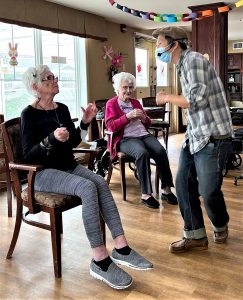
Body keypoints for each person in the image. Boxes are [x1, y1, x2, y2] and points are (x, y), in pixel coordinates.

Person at [21, 65, 153, 289]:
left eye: (54, 76)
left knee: (100, 182)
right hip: (42, 174)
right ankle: (99, 260)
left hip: (67, 166)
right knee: (87, 188)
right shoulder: (29, 114)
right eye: (48, 78)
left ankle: (121, 247)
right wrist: (50, 139)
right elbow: (27, 156)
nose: (55, 80)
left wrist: (84, 122)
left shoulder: (60, 109)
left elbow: (72, 142)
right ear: (35, 87)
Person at [153, 26, 234, 253]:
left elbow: (195, 99)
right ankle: (196, 235)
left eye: (159, 44)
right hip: (196, 135)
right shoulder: (181, 65)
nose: (158, 49)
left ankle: (220, 223)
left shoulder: (194, 60)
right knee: (183, 184)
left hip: (213, 136)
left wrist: (166, 97)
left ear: (174, 44)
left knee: (209, 192)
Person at [105, 72, 177, 209]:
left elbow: (148, 123)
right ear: (118, 89)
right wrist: (127, 116)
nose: (128, 90)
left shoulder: (135, 102)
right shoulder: (111, 104)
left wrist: (144, 119)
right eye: (125, 87)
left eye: (131, 87)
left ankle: (166, 190)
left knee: (160, 151)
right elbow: (111, 126)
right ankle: (146, 194)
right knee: (141, 153)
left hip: (143, 135)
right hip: (126, 138)